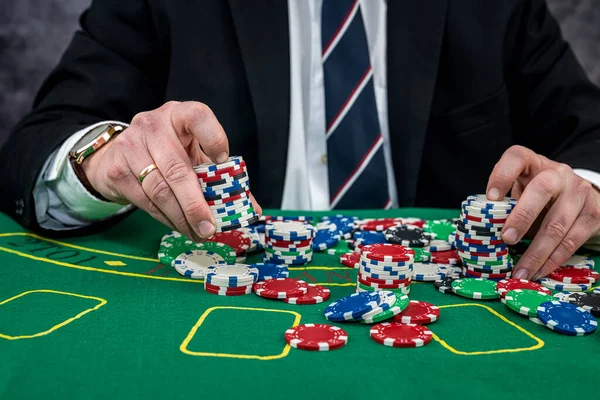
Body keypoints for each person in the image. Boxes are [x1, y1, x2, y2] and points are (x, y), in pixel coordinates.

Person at [1, 0, 600, 282]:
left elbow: (590, 139)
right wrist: (102, 158)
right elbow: (39, 143)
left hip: (449, 292)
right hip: (236, 288)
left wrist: (585, 192)